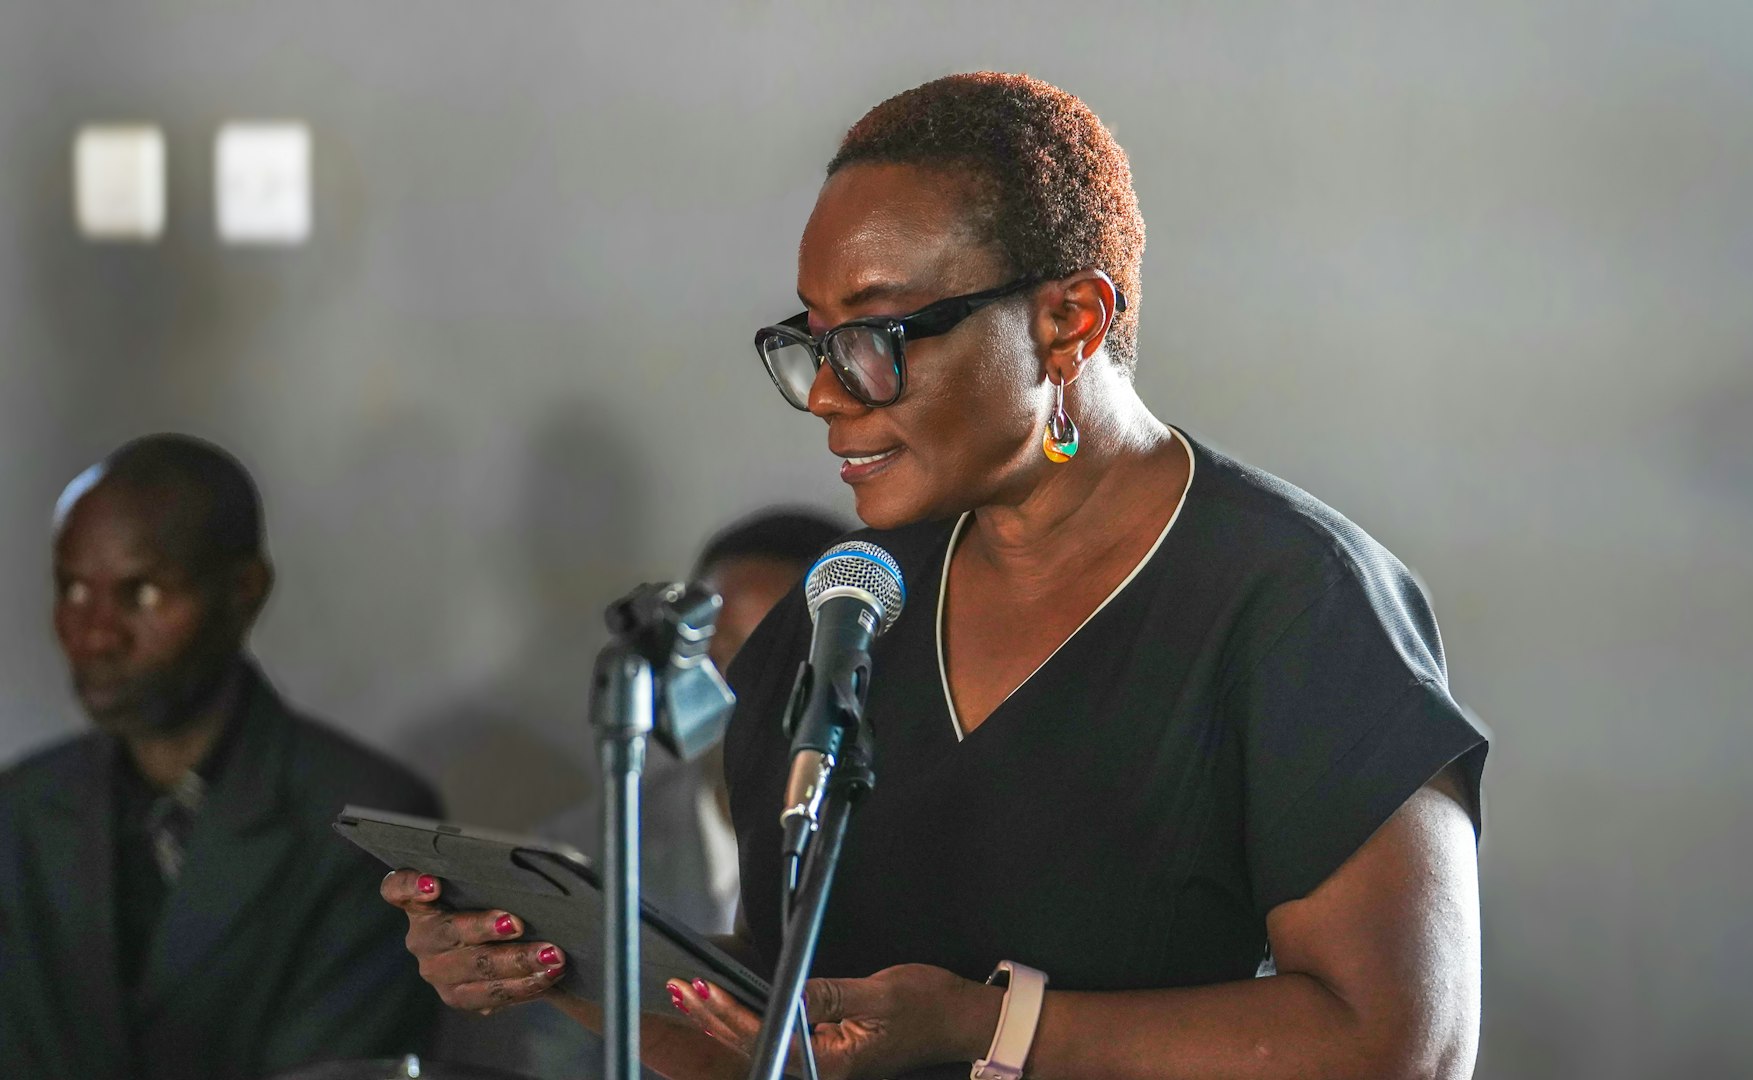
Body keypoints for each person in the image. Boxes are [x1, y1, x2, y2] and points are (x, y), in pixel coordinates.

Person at [389, 72, 1490, 1080]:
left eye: (873, 335)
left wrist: (989, 1028)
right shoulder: (844, 610)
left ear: (1069, 323)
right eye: (811, 341)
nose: (827, 392)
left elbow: (1403, 1042)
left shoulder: (1293, 601)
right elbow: (793, 1034)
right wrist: (577, 966)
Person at [0, 433, 442, 1080]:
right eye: (71, 589)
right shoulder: (20, 811)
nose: (94, 632)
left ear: (244, 590)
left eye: (142, 593)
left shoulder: (371, 826)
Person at [500, 507, 848, 1080]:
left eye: (774, 661)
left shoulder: (895, 859)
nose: (737, 688)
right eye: (717, 653)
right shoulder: (583, 853)